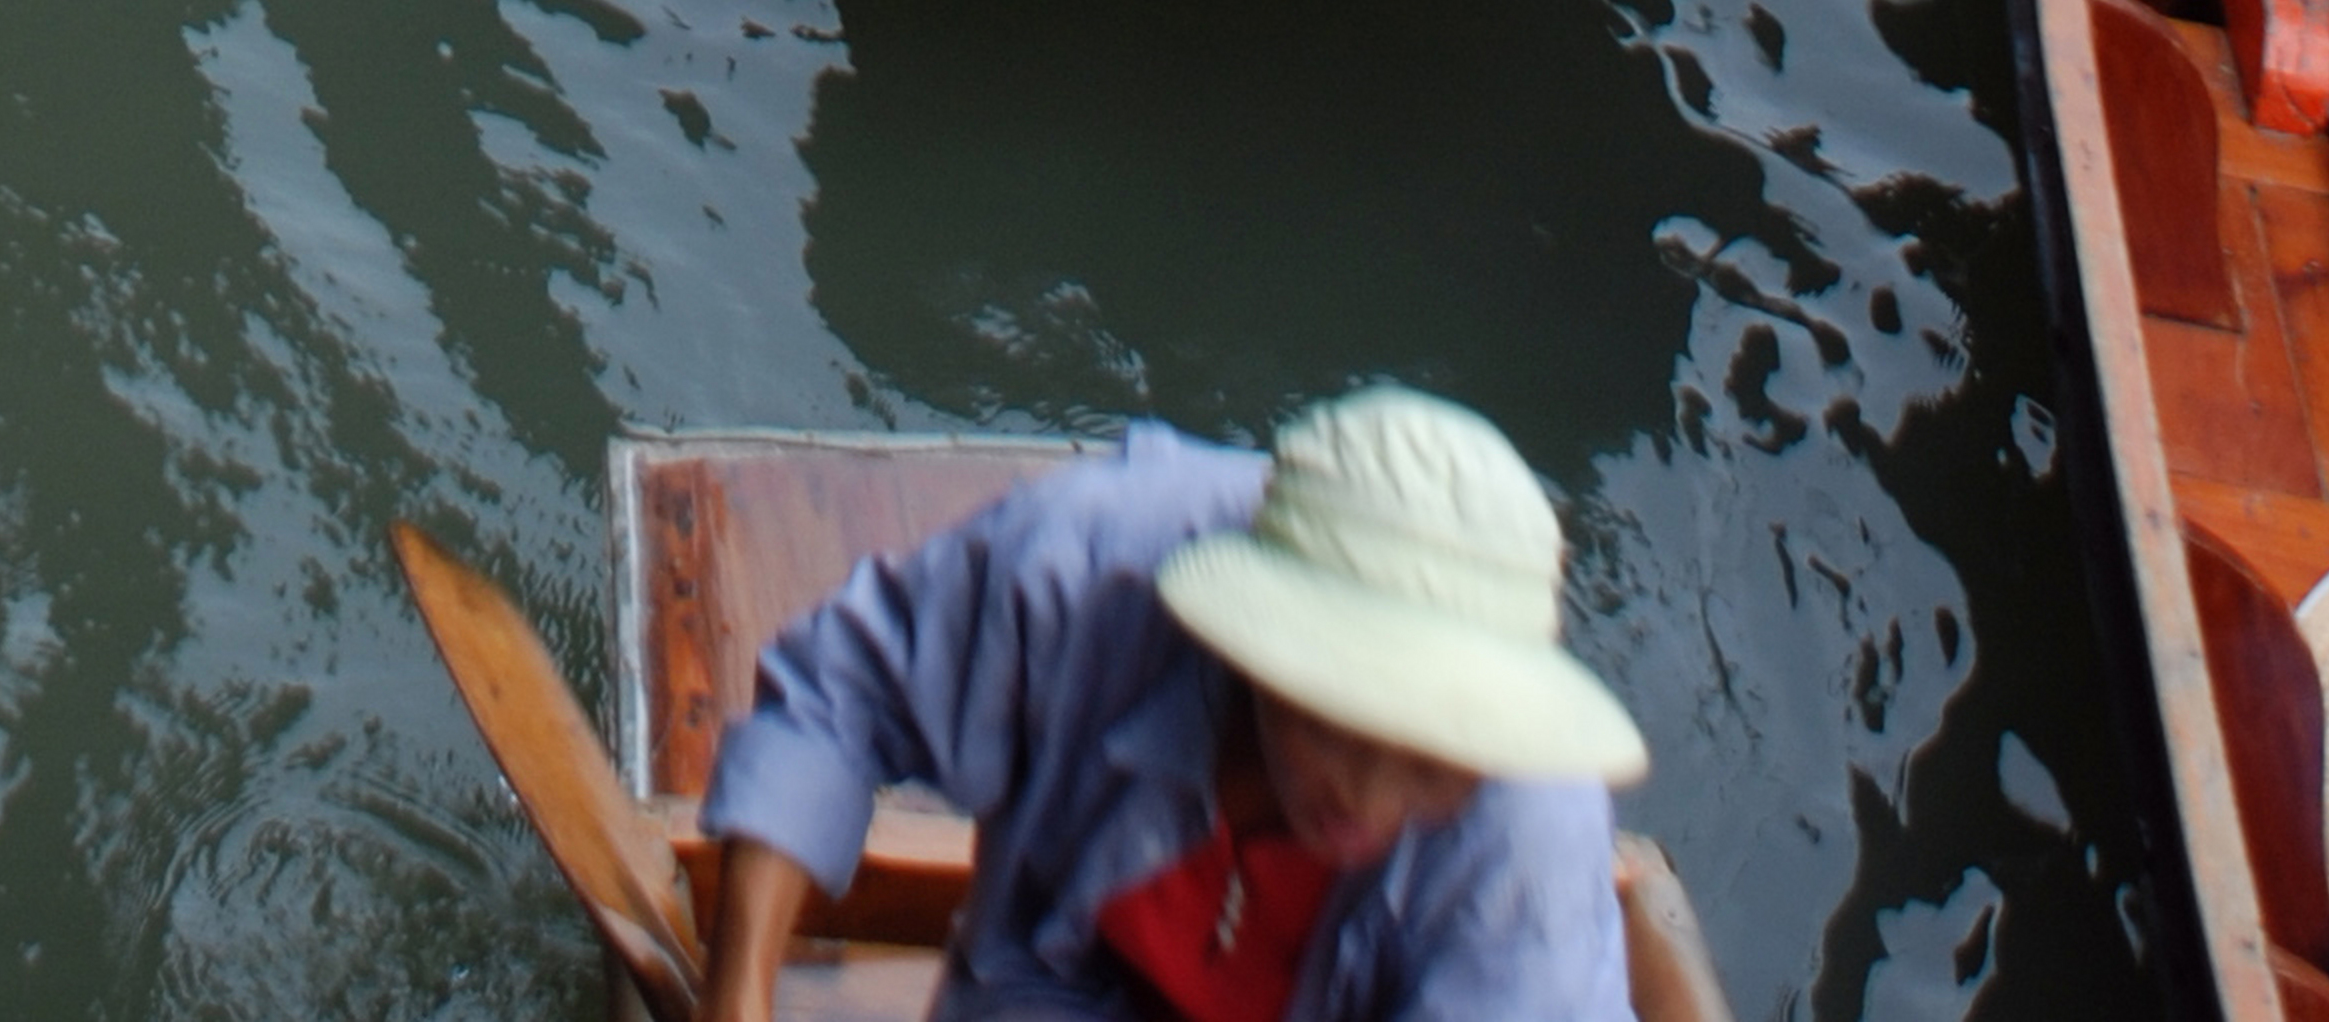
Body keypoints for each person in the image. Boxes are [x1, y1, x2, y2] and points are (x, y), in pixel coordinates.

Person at [692, 394, 1644, 1022]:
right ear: (1257, 654)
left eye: (1435, 769)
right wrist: (736, 1004)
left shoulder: (1533, 834)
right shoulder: (1086, 565)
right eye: (1333, 729)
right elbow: (837, 702)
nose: (1370, 799)